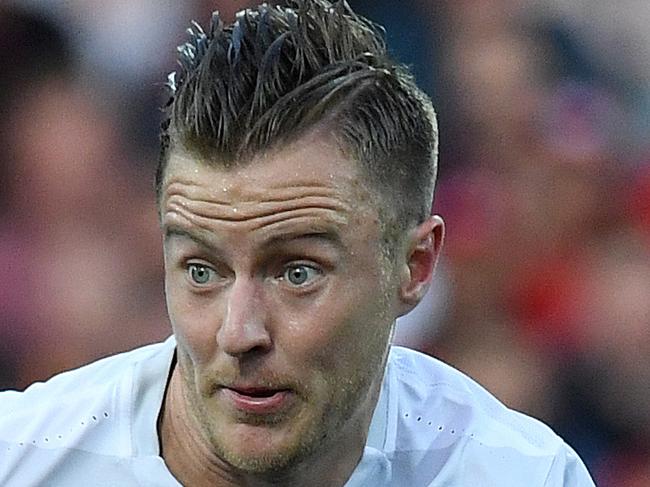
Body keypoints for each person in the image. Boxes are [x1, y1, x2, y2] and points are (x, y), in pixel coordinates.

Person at [0, 1, 595, 485]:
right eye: (201, 271)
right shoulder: (18, 458)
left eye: (297, 272)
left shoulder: (520, 474)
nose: (238, 334)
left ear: (413, 268)